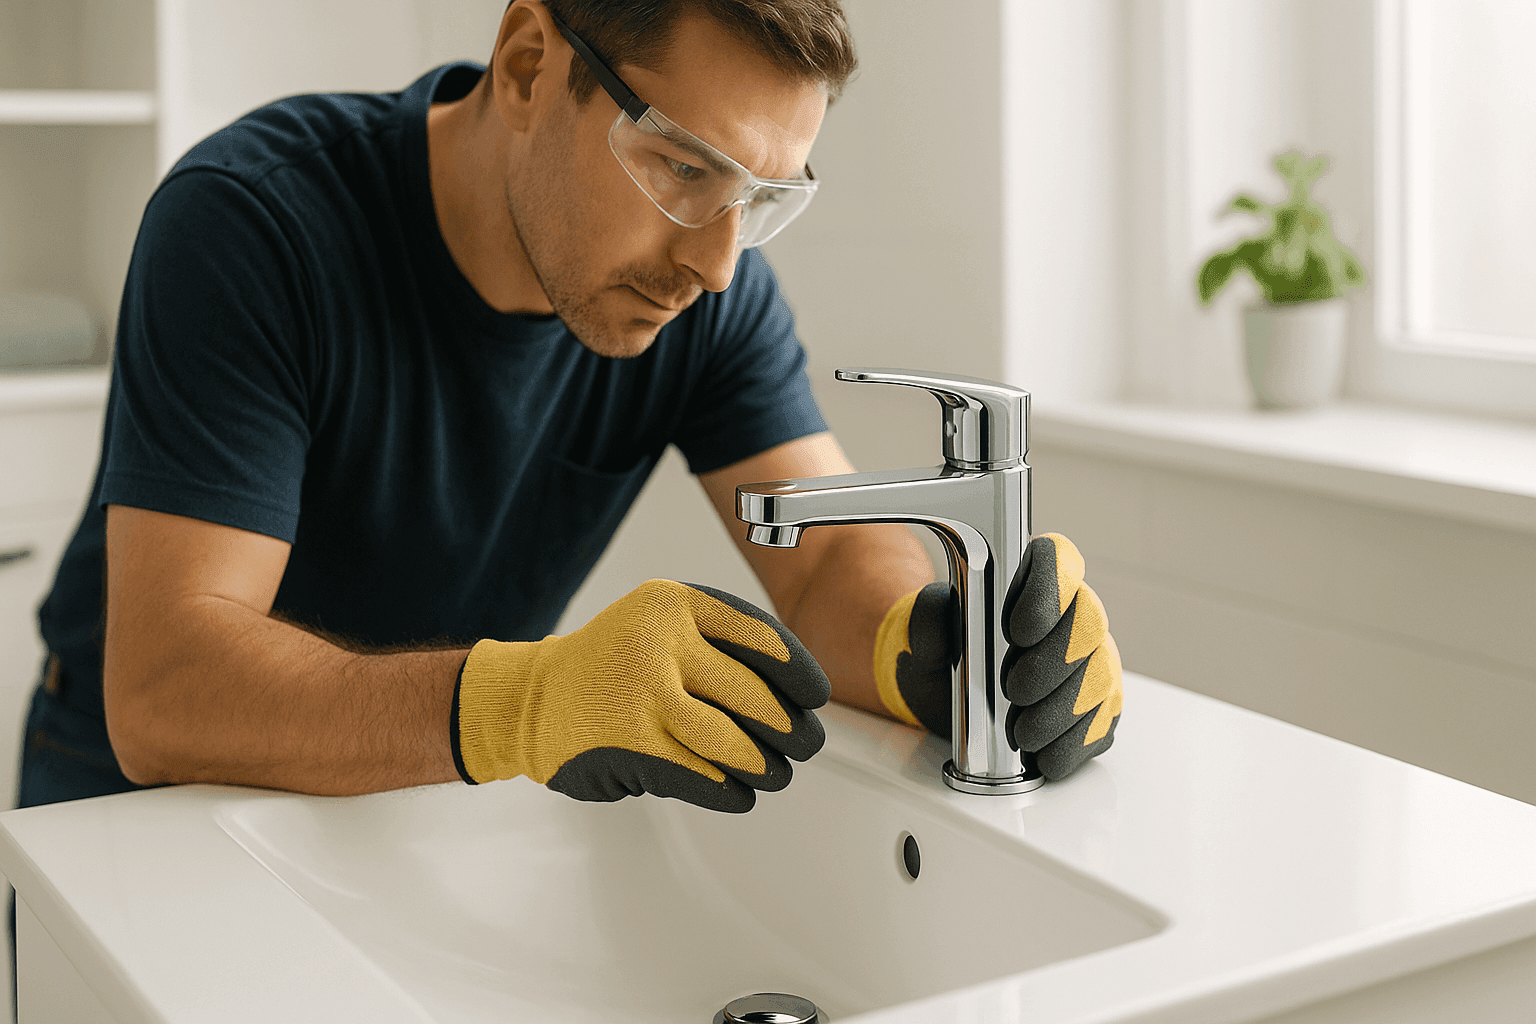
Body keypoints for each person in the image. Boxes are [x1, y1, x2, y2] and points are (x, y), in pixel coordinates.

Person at [20, 0, 1121, 815]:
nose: (717, 262)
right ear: (529, 62)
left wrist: (928, 645)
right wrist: (528, 700)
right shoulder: (253, 226)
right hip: (137, 813)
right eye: (685, 167)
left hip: (426, 781)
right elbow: (168, 689)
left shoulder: (693, 293)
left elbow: (827, 559)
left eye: (762, 198)